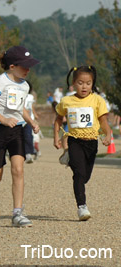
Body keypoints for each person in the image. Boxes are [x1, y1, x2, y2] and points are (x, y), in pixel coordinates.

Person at [0, 46, 40, 227]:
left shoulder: (24, 86)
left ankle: (17, 213)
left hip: (17, 131)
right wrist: (3, 119)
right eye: (25, 66)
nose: (28, 69)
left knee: (18, 169)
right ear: (12, 66)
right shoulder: (1, 81)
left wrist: (31, 122)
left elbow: (20, 108)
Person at [54, 65, 111, 221]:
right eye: (80, 83)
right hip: (75, 141)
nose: (84, 86)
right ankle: (82, 207)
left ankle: (71, 161)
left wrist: (108, 135)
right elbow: (58, 119)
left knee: (84, 177)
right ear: (73, 83)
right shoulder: (66, 101)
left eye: (88, 83)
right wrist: (56, 137)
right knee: (79, 174)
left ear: (92, 83)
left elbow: (104, 121)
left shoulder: (98, 100)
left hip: (91, 142)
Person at [23, 81, 38, 163]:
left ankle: (29, 153)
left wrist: (34, 115)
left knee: (28, 136)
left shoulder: (30, 97)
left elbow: (31, 107)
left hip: (28, 120)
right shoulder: (19, 94)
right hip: (18, 119)